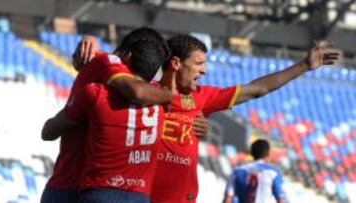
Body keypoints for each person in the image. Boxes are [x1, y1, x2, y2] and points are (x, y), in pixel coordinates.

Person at [70, 34, 339, 203]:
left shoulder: (203, 97)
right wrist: (90, 50)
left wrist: (304, 65)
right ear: (175, 63)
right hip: (141, 195)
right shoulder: (142, 93)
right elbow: (105, 74)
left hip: (184, 198)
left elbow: (258, 89)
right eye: (198, 64)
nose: (205, 71)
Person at [40, 27, 173, 203]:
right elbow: (136, 90)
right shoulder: (155, 96)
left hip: (76, 186)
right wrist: (169, 96)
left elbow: (48, 132)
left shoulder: (104, 79)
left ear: (126, 55)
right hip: (89, 186)